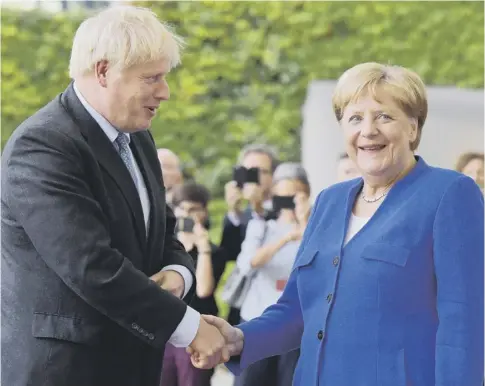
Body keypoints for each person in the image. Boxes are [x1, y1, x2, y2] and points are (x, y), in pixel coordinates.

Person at [190, 62, 484, 385]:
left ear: (413, 128)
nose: (368, 130)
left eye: (384, 116)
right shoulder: (329, 201)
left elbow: (464, 328)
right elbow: (297, 310)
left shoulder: (450, 194)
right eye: (355, 118)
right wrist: (239, 338)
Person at [1, 6, 227, 386]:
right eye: (152, 78)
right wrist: (189, 327)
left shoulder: (137, 138)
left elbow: (163, 231)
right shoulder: (42, 146)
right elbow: (90, 265)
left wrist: (176, 275)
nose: (165, 92)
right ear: (104, 71)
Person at [233, 162, 311, 386]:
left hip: (296, 325)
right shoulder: (262, 225)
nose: (288, 202)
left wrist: (304, 222)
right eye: (282, 196)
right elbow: (248, 264)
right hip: (258, 320)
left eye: (294, 195)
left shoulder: (317, 227)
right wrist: (285, 239)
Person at [161, 182, 227, 386]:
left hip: (197, 330)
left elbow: (204, 289)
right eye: (182, 208)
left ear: (204, 212)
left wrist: (202, 248)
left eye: (194, 209)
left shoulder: (213, 251)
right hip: (166, 329)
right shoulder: (164, 246)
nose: (187, 214)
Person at [220, 144, 279, 326]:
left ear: (273, 176)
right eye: (249, 172)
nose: (255, 178)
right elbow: (229, 254)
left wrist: (258, 207)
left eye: (261, 171)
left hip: (273, 298)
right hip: (242, 304)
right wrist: (234, 213)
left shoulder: (284, 208)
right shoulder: (239, 213)